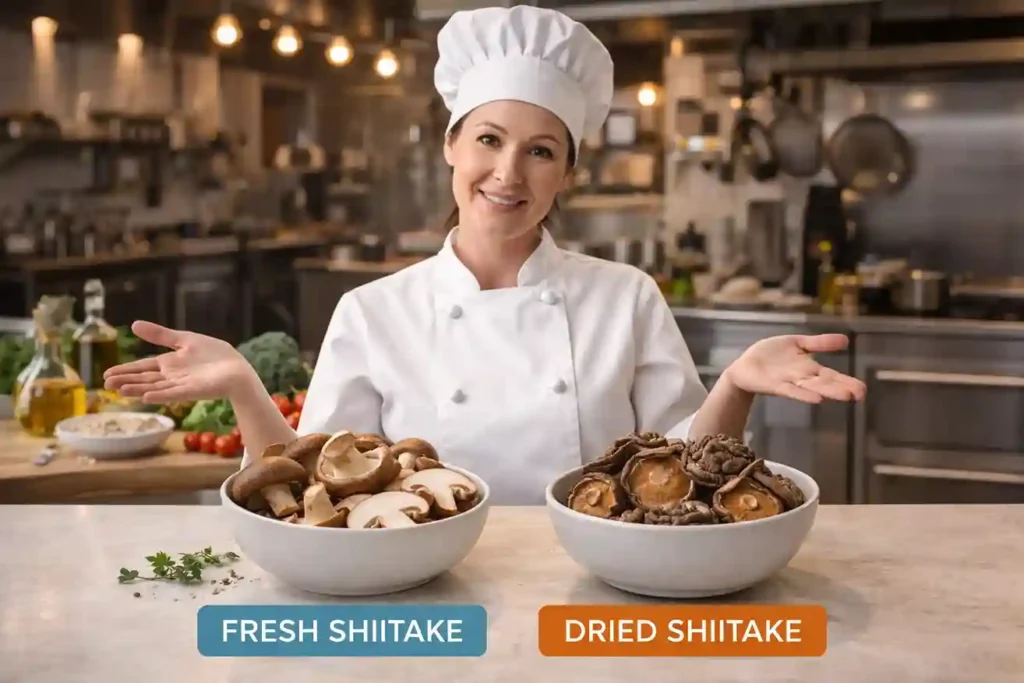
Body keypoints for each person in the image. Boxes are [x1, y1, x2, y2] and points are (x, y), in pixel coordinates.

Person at [103, 6, 865, 505]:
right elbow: (311, 494)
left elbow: (688, 478)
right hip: (423, 589)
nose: (508, 173)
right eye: (490, 141)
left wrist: (734, 382)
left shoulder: (625, 296)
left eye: (540, 151)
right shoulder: (372, 312)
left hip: (595, 589)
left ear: (567, 173)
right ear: (451, 146)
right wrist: (243, 385)